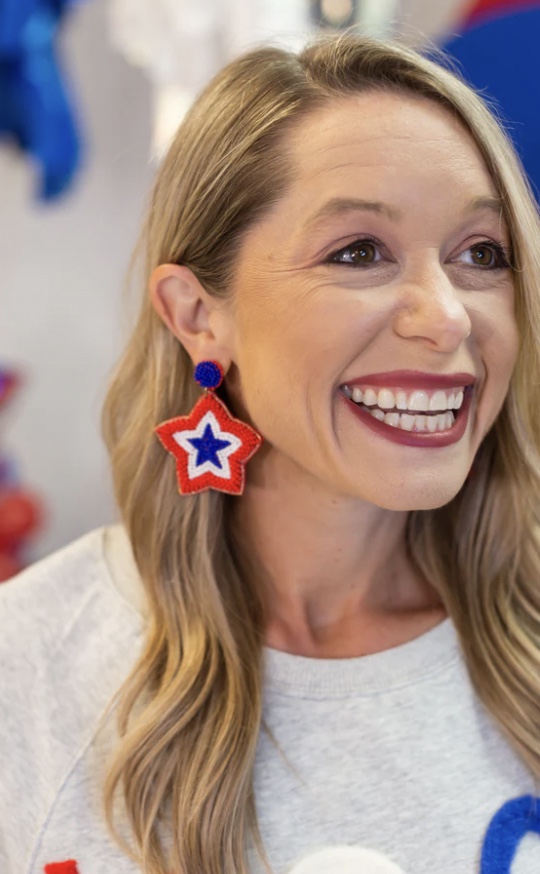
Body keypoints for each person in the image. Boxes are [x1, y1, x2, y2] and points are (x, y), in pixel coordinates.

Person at [1, 32, 540, 874]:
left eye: (483, 254)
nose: (447, 317)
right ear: (195, 315)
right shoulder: (25, 668)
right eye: (359, 252)